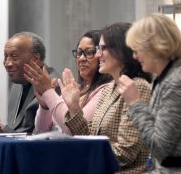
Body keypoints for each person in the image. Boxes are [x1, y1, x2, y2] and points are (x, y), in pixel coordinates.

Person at [119, 13, 181, 173]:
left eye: (137, 49)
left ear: (155, 47)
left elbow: (159, 148)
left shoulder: (178, 82)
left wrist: (135, 103)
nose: (134, 56)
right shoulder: (165, 78)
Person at [61, 23, 153, 173]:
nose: (98, 55)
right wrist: (74, 107)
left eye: (103, 48)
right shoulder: (109, 88)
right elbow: (90, 138)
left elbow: (125, 153)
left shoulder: (137, 87)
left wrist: (83, 155)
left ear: (121, 51)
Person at [24, 30, 112, 134]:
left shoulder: (106, 90)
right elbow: (42, 129)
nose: (82, 58)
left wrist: (48, 93)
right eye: (79, 53)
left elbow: (74, 129)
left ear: (100, 55)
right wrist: (44, 106)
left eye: (89, 53)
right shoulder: (77, 88)